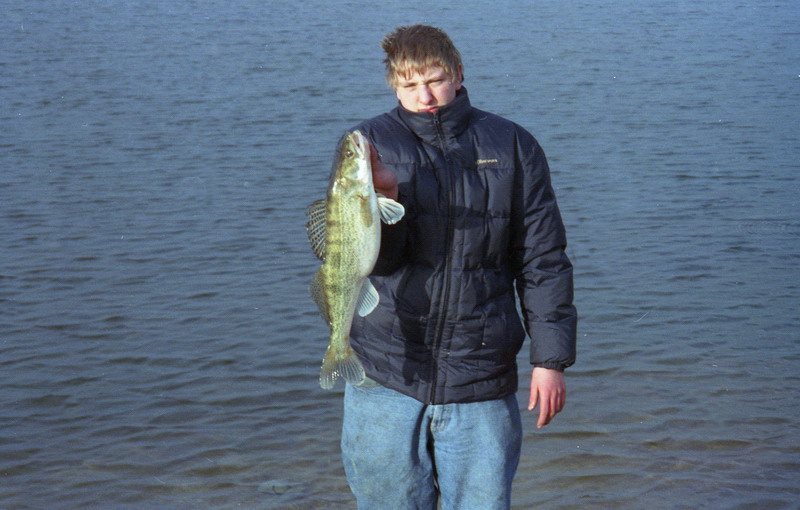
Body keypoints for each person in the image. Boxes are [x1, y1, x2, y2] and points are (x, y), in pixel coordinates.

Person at [338, 25, 577, 510]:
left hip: (481, 373)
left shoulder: (513, 144)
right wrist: (386, 198)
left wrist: (549, 361)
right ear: (393, 86)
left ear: (459, 73)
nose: (425, 96)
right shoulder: (367, 145)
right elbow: (368, 261)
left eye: (435, 80)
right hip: (386, 372)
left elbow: (543, 260)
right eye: (409, 86)